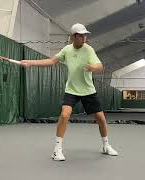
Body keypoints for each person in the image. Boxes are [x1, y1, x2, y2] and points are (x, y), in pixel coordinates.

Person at [20, 23, 118, 161]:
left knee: (101, 119)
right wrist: (30, 62)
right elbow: (51, 61)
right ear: (74, 37)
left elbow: (100, 66)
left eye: (85, 35)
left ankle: (106, 146)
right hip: (71, 89)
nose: (84, 37)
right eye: (81, 35)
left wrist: (93, 67)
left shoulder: (88, 49)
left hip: (88, 90)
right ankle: (57, 150)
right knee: (65, 115)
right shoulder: (67, 50)